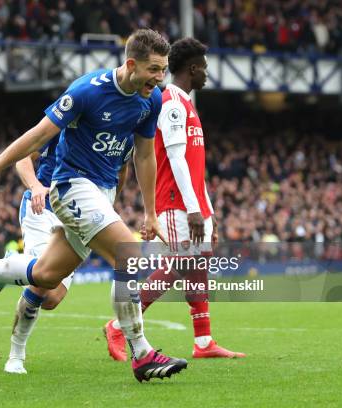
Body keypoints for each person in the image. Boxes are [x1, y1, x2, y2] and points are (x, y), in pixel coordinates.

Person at [0, 28, 189, 383]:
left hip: (102, 194)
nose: (160, 78)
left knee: (46, 279)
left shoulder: (151, 100)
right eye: (154, 69)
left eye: (163, 69)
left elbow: (145, 155)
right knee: (128, 253)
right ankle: (142, 352)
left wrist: (150, 212)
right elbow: (38, 136)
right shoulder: (87, 91)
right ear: (131, 64)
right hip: (71, 186)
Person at [103, 38, 246, 360]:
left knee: (198, 267)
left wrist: (207, 212)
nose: (207, 74)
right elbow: (175, 157)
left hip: (194, 204)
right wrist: (194, 210)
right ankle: (117, 324)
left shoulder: (187, 104)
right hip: (174, 200)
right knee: (180, 264)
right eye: (204, 68)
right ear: (193, 69)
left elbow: (195, 168)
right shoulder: (170, 101)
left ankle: (204, 342)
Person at [0, 136, 133, 374]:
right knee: (41, 285)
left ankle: (11, 266)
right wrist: (35, 185)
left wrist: (104, 206)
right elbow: (23, 157)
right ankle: (16, 356)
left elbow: (122, 171)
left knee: (52, 299)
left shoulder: (121, 134)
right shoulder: (67, 121)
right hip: (43, 207)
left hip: (77, 214)